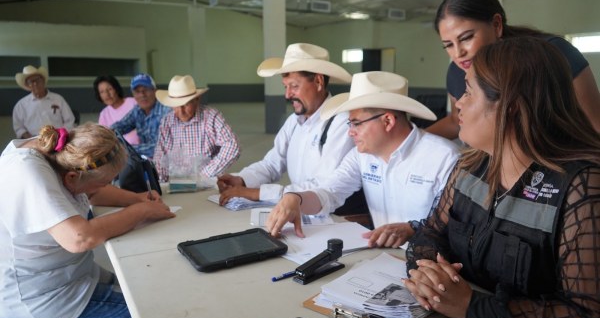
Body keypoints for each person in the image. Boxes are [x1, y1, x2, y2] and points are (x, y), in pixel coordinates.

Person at [403, 37, 600, 318]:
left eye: (469, 92)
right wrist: (429, 276)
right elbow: (429, 233)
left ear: (511, 108)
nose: (459, 104)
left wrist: (473, 307)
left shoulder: (583, 187)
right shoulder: (471, 164)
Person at [0, 123, 175, 318]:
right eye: (105, 182)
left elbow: (90, 191)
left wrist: (137, 198)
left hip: (64, 273)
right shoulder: (28, 172)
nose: (106, 187)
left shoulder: (61, 154)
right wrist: (140, 211)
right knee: (138, 312)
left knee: (136, 292)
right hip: (34, 291)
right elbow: (80, 238)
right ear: (72, 177)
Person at [266, 71, 459, 248]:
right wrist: (296, 199)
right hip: (383, 257)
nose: (350, 132)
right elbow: (330, 192)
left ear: (388, 121)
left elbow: (458, 227)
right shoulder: (361, 156)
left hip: (434, 264)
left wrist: (413, 230)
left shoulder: (444, 158)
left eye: (356, 124)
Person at [426, 0, 600, 139]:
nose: (458, 53)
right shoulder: (457, 72)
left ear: (496, 25)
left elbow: (594, 126)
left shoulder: (554, 55)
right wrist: (411, 140)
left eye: (466, 38)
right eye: (448, 45)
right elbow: (457, 121)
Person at [217, 43, 364, 214]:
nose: (287, 95)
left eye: (294, 86)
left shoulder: (341, 122)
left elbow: (323, 186)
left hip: (336, 216)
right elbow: (272, 163)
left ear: (318, 81)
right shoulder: (294, 121)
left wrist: (257, 193)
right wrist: (242, 180)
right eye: (285, 87)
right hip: (300, 209)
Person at [153, 74, 241, 181]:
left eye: (185, 104)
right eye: (176, 105)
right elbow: (159, 155)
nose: (181, 111)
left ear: (197, 99)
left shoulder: (211, 117)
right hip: (175, 181)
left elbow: (232, 146)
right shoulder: (167, 121)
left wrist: (203, 176)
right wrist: (161, 181)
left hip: (206, 180)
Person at [111, 73, 171, 158]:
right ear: (133, 95)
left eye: (146, 90)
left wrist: (126, 148)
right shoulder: (138, 110)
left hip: (166, 162)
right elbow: (121, 125)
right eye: (137, 92)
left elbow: (163, 147)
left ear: (155, 91)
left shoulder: (166, 110)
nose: (142, 95)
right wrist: (105, 134)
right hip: (147, 161)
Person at [13, 65, 75, 139]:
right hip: (33, 141)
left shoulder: (58, 99)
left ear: (43, 80)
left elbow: (70, 121)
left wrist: (60, 136)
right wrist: (31, 139)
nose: (35, 83)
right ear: (27, 85)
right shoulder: (21, 105)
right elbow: (19, 128)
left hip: (58, 140)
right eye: (31, 82)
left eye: (37, 80)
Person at [94, 75, 140, 145]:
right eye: (102, 92)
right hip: (120, 153)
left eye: (109, 89)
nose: (107, 94)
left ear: (116, 89)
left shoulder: (134, 103)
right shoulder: (104, 114)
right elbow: (104, 139)